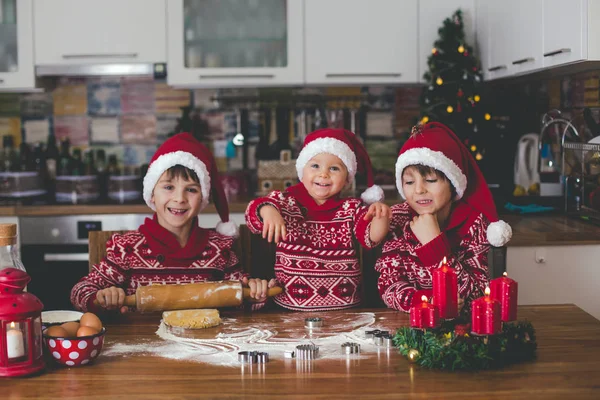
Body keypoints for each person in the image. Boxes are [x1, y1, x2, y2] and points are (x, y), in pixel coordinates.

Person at [71, 133, 274, 313]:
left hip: (203, 348)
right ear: (152, 193)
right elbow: (80, 292)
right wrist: (102, 298)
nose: (179, 198)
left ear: (203, 198)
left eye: (191, 190)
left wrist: (257, 292)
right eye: (168, 187)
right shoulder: (128, 250)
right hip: (145, 347)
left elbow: (241, 301)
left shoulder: (219, 251)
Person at [245, 128, 390, 311]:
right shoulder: (286, 202)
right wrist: (268, 210)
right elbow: (253, 216)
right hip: (290, 310)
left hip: (345, 311)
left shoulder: (351, 208)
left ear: (347, 179)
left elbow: (371, 238)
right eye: (315, 166)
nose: (323, 174)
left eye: (334, 168)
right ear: (302, 171)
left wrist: (381, 216)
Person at [376, 122, 512, 313]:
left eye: (430, 180)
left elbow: (477, 294)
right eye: (409, 182)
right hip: (407, 325)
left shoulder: (474, 224)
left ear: (453, 184)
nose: (419, 190)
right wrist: (428, 301)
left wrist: (435, 245)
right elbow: (388, 285)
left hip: (461, 332)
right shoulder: (398, 219)